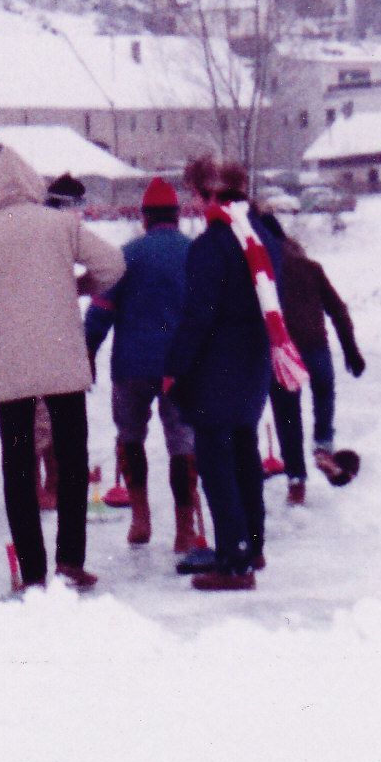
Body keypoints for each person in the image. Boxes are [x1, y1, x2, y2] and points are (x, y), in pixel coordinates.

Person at [0, 147, 125, 590]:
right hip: (64, 358)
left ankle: (32, 573)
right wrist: (78, 287)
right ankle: (70, 559)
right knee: (72, 458)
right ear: (34, 185)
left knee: (19, 466)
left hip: (12, 370)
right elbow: (113, 265)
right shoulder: (62, 224)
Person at [164, 158, 307, 591]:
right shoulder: (262, 235)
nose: (192, 201)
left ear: (209, 193)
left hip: (216, 371)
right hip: (252, 367)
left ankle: (233, 562)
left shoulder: (213, 244)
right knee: (244, 456)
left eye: (194, 192)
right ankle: (251, 545)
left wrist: (174, 368)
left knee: (217, 465)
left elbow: (198, 316)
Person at [85, 177, 203, 551]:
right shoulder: (195, 253)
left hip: (131, 367)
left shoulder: (126, 256)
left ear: (144, 217)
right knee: (182, 442)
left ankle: (140, 519)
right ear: (178, 215)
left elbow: (100, 313)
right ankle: (185, 530)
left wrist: (86, 352)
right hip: (181, 370)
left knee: (131, 437)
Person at [262, 227, 366, 504]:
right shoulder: (311, 268)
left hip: (284, 352)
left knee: (287, 413)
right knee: (324, 393)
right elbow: (338, 309)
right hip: (315, 346)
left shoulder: (265, 272)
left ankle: (297, 480)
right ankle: (323, 446)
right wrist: (350, 349)